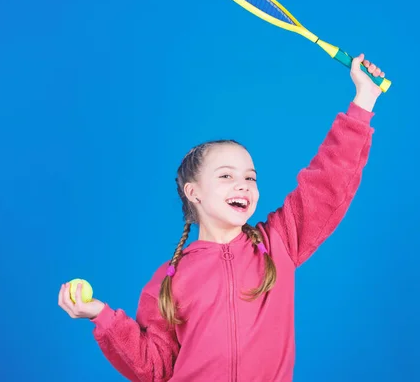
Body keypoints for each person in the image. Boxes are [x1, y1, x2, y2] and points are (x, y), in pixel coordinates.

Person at [58, 54, 386, 381]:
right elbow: (153, 369)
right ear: (193, 192)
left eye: (250, 177)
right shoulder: (167, 283)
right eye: (226, 176)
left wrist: (364, 100)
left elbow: (326, 184)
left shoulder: (281, 241)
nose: (242, 184)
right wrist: (101, 316)